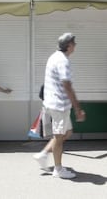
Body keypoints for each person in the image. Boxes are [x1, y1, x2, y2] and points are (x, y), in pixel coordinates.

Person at [33, 33, 86, 179]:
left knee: (67, 132)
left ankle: (43, 155)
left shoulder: (53, 57)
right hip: (59, 105)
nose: (75, 46)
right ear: (69, 45)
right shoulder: (63, 61)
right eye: (74, 43)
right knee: (59, 135)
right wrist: (78, 108)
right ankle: (58, 169)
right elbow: (67, 85)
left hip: (51, 102)